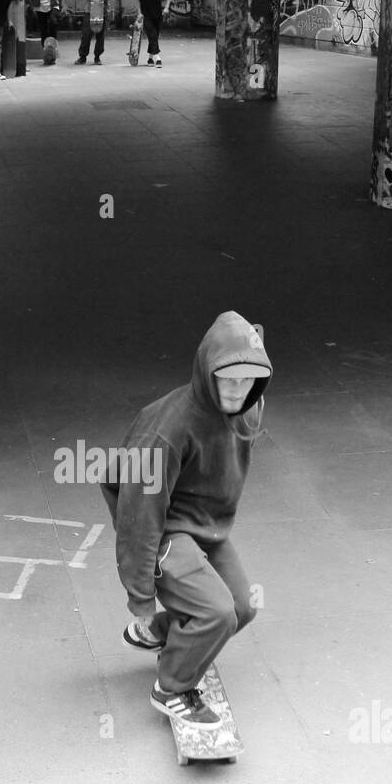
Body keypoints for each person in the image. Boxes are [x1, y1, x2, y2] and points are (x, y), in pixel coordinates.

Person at [100, 312, 272, 730]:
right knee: (216, 613)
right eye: (226, 379)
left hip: (207, 526)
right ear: (207, 373)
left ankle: (168, 631)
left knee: (243, 606)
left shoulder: (250, 403)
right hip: (163, 528)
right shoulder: (168, 431)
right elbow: (139, 517)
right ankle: (171, 688)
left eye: (247, 379)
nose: (236, 390)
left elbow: (248, 364)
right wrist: (140, 599)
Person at [75, 0, 116, 66]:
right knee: (86, 34)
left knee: (100, 36)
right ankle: (82, 57)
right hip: (90, 10)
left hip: (103, 11)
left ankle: (97, 57)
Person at [134, 0, 170, 68]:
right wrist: (139, 13)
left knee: (154, 36)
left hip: (158, 14)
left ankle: (150, 58)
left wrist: (166, 8)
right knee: (152, 35)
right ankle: (157, 57)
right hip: (146, 15)